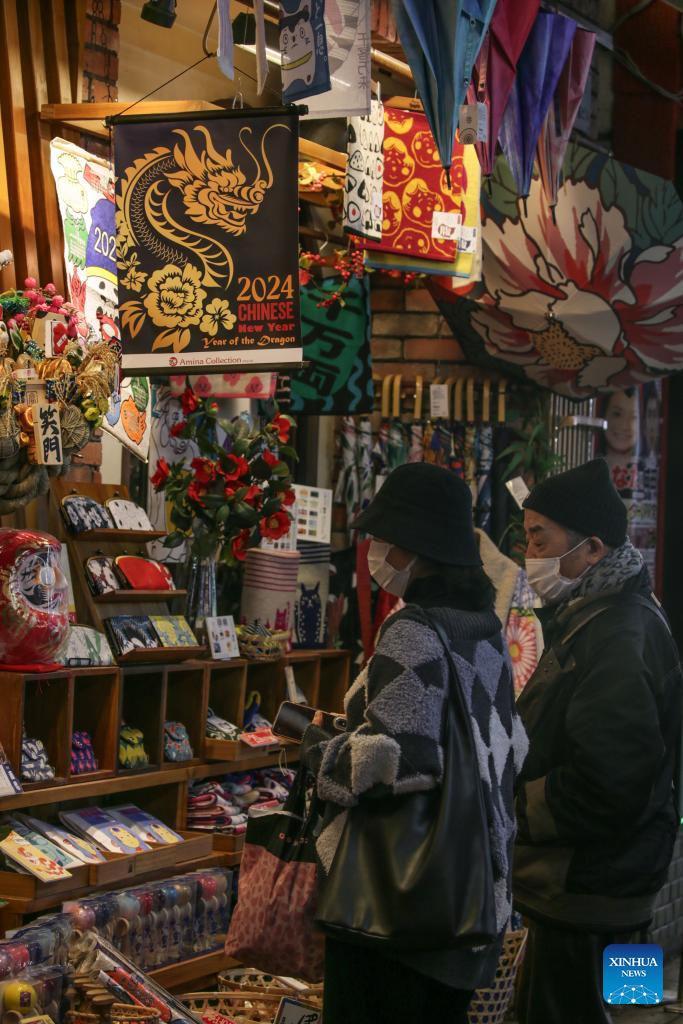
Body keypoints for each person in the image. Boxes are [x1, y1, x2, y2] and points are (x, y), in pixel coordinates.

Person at [300, 462, 528, 1024]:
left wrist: (320, 749)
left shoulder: (413, 628)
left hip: (399, 912)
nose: (376, 553)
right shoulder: (483, 626)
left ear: (415, 548)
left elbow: (400, 760)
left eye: (385, 541)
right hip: (468, 898)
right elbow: (508, 745)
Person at [514, 458, 682, 1024]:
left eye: (540, 536)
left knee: (587, 1013)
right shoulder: (601, 617)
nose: (528, 551)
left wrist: (515, 808)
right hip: (619, 890)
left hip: (587, 898)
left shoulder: (616, 632)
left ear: (591, 548)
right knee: (630, 1016)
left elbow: (610, 781)